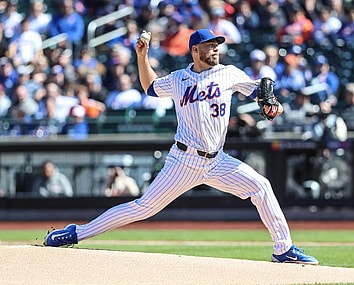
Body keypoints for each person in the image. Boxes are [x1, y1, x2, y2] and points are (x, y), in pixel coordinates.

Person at [43, 29, 318, 265]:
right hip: (183, 161)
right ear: (195, 50)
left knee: (261, 186)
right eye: (210, 45)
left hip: (217, 161)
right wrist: (142, 56)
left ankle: (283, 249)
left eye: (217, 45)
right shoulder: (178, 79)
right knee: (142, 208)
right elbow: (150, 86)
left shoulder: (229, 74)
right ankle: (77, 233)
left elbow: (262, 91)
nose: (215, 49)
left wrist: (272, 104)